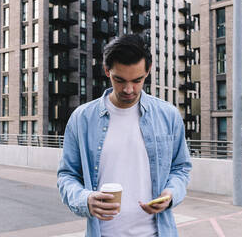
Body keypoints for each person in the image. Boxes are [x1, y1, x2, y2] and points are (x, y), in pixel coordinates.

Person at [57, 34, 192, 237]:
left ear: (148, 70)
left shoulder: (168, 115)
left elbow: (181, 168)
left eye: (137, 80)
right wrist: (84, 199)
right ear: (106, 71)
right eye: (119, 80)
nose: (129, 89)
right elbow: (67, 175)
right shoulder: (82, 119)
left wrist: (171, 193)